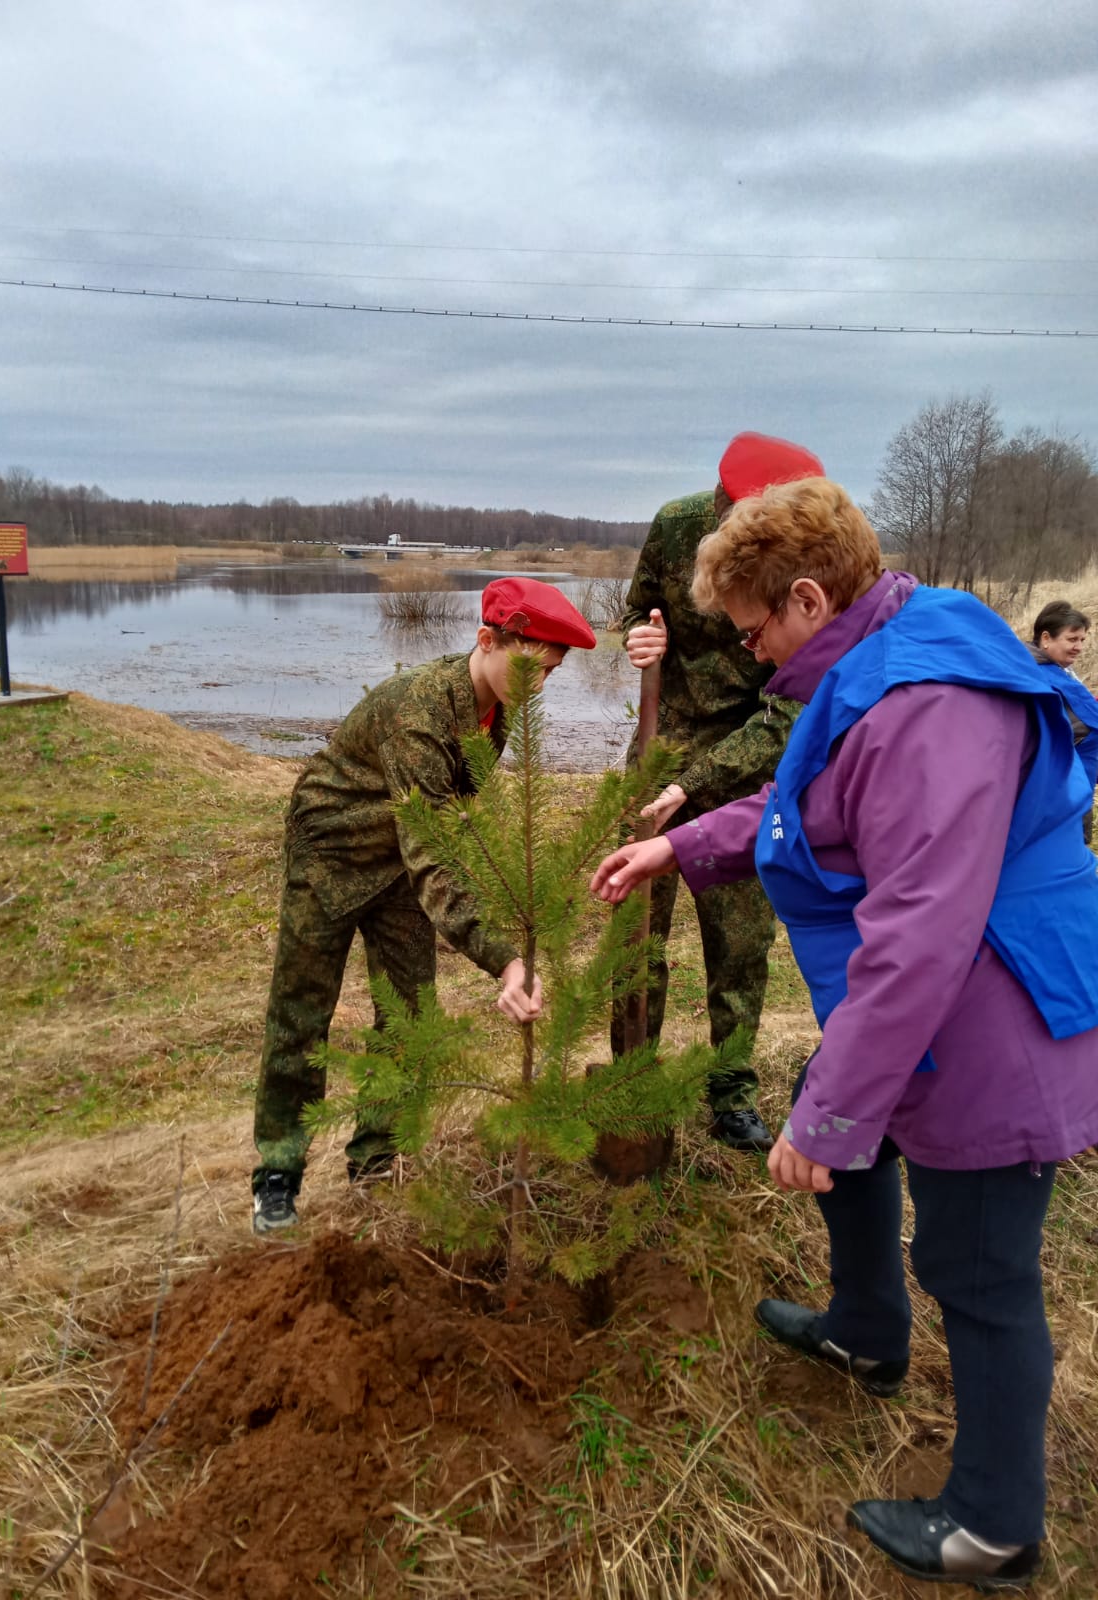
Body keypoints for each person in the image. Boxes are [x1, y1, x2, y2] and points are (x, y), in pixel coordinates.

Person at [592, 477, 1098, 1590]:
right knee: (855, 1139)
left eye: (754, 628)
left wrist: (823, 1118)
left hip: (995, 1015)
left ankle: (994, 1523)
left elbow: (923, 930)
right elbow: (810, 802)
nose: (751, 653)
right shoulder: (884, 648)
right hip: (938, 998)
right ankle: (866, 1331)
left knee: (977, 1266)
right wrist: (682, 848)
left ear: (810, 599)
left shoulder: (928, 705)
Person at [253, 577, 596, 1233]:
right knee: (300, 1012)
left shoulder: (494, 707)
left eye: (548, 675)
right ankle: (278, 1171)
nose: (537, 687)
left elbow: (440, 827)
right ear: (487, 641)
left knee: (410, 1013)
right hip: (333, 852)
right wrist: (503, 960)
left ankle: (377, 1161)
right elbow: (433, 851)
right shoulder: (421, 715)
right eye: (530, 668)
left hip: (403, 864)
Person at [612, 431, 824, 1153]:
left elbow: (788, 716)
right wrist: (640, 641)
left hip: (749, 764)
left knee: (740, 939)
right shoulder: (675, 526)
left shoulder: (805, 567)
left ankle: (730, 1092)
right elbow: (636, 613)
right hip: (659, 746)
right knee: (636, 930)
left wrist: (694, 784)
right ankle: (632, 1076)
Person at [1029, 599, 1098, 841]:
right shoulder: (1036, 674)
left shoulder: (1058, 670)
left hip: (1077, 784)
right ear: (1046, 639)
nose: (1079, 647)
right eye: (1072, 639)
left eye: (1082, 640)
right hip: (1062, 792)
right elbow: (1080, 728)